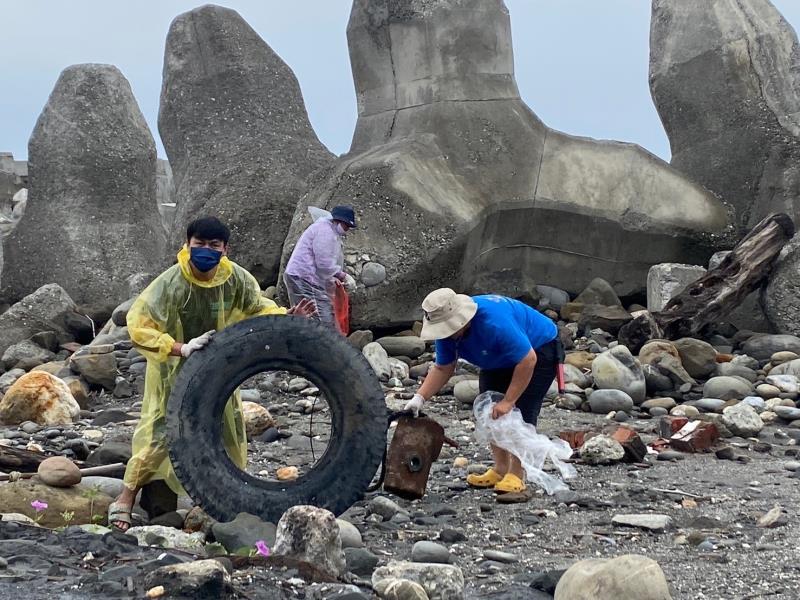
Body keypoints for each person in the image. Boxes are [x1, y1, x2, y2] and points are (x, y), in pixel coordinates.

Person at [108, 217, 314, 531]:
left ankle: (230, 503)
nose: (206, 250)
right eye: (199, 244)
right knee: (159, 432)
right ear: (187, 244)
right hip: (172, 371)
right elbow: (139, 325)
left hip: (219, 372)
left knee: (226, 432)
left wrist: (286, 316)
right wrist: (180, 348)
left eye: (213, 245)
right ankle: (125, 499)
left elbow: (256, 308)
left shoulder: (236, 279)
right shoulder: (170, 282)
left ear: (224, 248)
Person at [404, 289, 561, 494]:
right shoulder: (447, 335)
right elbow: (443, 367)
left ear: (462, 319)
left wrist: (509, 400)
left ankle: (516, 472)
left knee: (522, 412)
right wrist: (419, 398)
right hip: (496, 358)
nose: (447, 334)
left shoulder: (494, 322)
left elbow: (528, 359)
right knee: (489, 411)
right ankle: (500, 468)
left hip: (538, 348)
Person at [284, 205, 357, 330]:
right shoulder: (325, 231)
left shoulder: (326, 229)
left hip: (303, 277)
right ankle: (321, 346)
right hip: (303, 277)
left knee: (310, 316)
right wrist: (342, 275)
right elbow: (324, 263)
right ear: (339, 221)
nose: (347, 229)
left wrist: (333, 278)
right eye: (346, 226)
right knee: (319, 319)